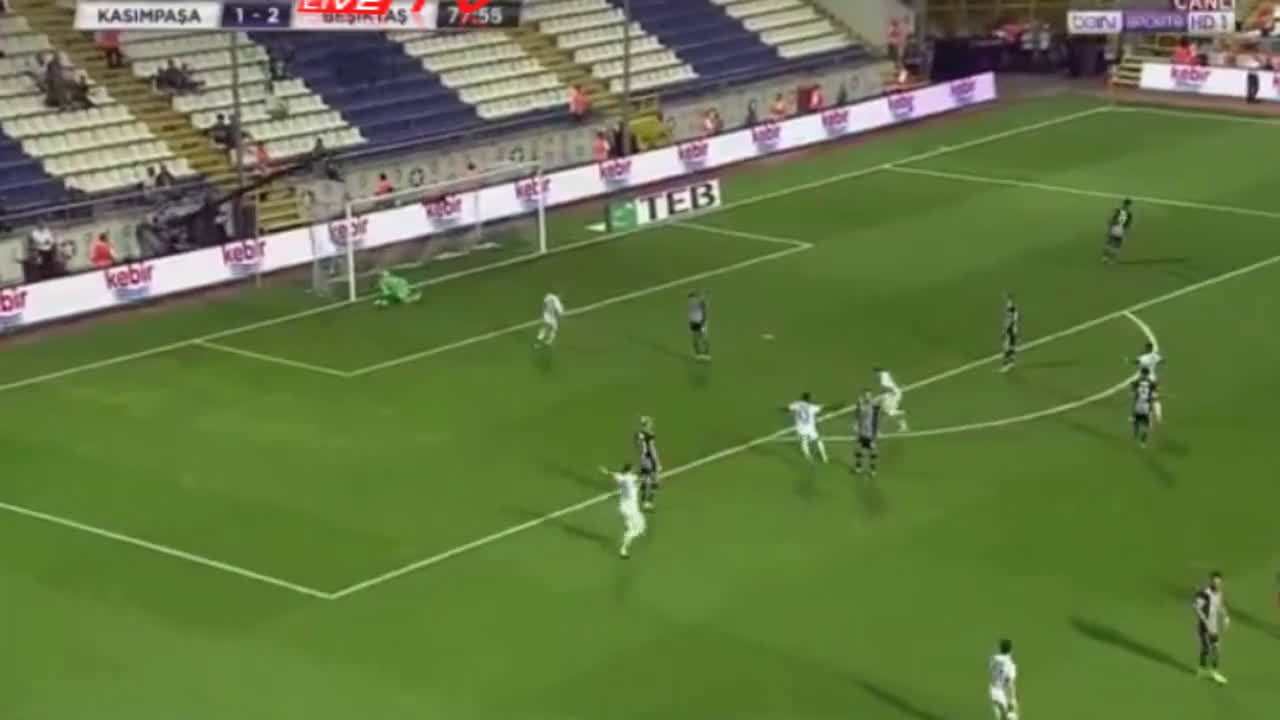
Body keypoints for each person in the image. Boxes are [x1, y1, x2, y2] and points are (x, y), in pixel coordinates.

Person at [598, 463, 645, 557]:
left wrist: (606, 471)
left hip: (623, 507)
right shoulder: (632, 478)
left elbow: (614, 474)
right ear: (630, 470)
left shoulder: (621, 477)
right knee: (637, 530)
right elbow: (639, 478)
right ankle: (623, 549)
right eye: (633, 469)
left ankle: (630, 527)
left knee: (633, 524)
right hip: (632, 509)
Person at [1193, 571, 1229, 684]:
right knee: (1210, 648)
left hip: (1213, 626)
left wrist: (1225, 616)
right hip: (1204, 626)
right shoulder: (1204, 593)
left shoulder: (1219, 593)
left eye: (1219, 582)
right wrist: (1206, 622)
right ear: (1211, 581)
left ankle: (1208, 670)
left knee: (1212, 648)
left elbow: (1220, 606)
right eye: (1215, 582)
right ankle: (1208, 671)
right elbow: (1196, 608)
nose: (1217, 584)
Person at [785, 392, 828, 463]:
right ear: (809, 399)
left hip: (800, 429)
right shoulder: (812, 407)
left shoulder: (797, 404)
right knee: (818, 440)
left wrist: (782, 409)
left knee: (804, 442)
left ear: (802, 398)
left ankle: (808, 458)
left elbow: (788, 408)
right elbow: (824, 408)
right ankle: (824, 457)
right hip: (810, 429)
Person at [852, 390, 880, 475]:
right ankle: (858, 468)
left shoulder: (874, 406)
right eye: (866, 395)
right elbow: (857, 415)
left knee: (873, 452)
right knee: (858, 450)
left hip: (870, 433)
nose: (867, 397)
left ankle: (873, 469)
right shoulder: (861, 405)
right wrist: (858, 406)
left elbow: (876, 420)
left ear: (871, 396)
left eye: (869, 396)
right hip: (861, 432)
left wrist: (876, 432)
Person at [988, 639, 1019, 720]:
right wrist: (1013, 699)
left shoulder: (994, 659)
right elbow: (1010, 683)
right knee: (1010, 717)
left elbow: (991, 668)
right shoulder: (1010, 664)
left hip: (993, 690)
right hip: (1002, 693)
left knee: (1000, 716)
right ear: (1010, 650)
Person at [635, 416, 660, 511]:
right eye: (650, 422)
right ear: (647, 424)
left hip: (643, 459)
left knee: (645, 479)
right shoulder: (650, 434)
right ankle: (649, 502)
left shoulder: (638, 434)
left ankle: (643, 502)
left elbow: (637, 446)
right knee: (655, 480)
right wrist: (657, 462)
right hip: (650, 459)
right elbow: (652, 449)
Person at [875, 366, 909, 431]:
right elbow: (892, 380)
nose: (876, 376)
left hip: (893, 396)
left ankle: (902, 414)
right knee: (886, 412)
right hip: (896, 394)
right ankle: (903, 425)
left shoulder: (883, 378)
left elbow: (886, 388)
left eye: (876, 374)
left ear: (878, 373)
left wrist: (881, 396)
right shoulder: (886, 373)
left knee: (889, 412)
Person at [1131, 367, 1158, 446]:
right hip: (1146, 405)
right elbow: (1154, 394)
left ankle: (1136, 435)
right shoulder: (1152, 383)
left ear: (1142, 373)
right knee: (1146, 424)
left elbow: (1133, 389)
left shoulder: (1137, 381)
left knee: (1136, 421)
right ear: (1148, 374)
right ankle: (1143, 441)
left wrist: (1134, 392)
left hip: (1138, 404)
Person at [1103, 197, 1133, 264]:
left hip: (1114, 228)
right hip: (1121, 230)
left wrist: (1108, 228)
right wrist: (1125, 233)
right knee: (1116, 246)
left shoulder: (1118, 210)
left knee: (1108, 244)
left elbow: (1111, 220)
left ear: (1123, 203)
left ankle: (1105, 258)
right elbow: (1128, 225)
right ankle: (1111, 260)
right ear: (1129, 205)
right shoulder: (1129, 214)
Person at [1000, 293, 1019, 372]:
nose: (1007, 303)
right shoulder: (1012, 310)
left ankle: (1006, 365)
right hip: (1013, 331)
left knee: (1006, 348)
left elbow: (1010, 322)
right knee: (1011, 347)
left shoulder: (1012, 312)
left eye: (1009, 301)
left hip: (1011, 331)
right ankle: (1011, 362)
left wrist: (1005, 331)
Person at [687, 290, 709, 359]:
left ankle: (706, 353)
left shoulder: (699, 302)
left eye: (692, 298)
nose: (691, 300)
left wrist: (703, 321)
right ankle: (698, 354)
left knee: (704, 338)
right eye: (690, 299)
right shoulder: (690, 304)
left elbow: (704, 309)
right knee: (694, 339)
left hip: (701, 323)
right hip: (693, 323)